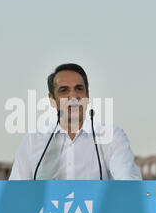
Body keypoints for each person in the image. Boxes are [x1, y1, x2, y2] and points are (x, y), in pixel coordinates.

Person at [8, 63, 142, 180]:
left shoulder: (112, 137)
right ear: (52, 100)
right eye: (64, 90)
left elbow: (128, 183)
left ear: (87, 95)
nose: (73, 96)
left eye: (79, 89)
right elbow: (17, 193)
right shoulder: (32, 141)